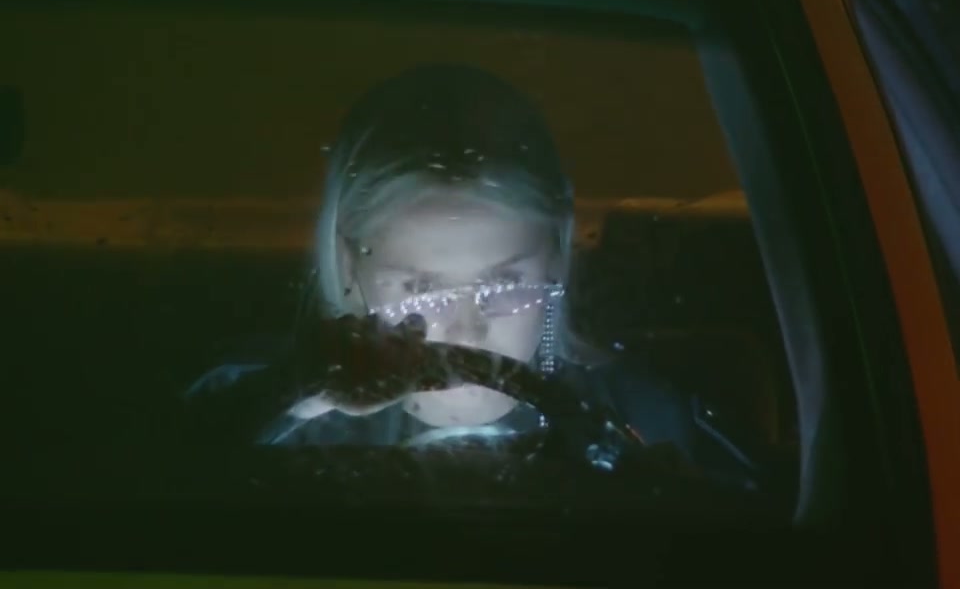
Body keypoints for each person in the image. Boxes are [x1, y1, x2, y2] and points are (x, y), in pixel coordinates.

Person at [185, 63, 775, 489]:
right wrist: (291, 398)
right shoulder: (256, 406)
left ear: (556, 257)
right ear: (348, 265)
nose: (466, 332)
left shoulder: (647, 416)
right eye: (421, 289)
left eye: (504, 285)